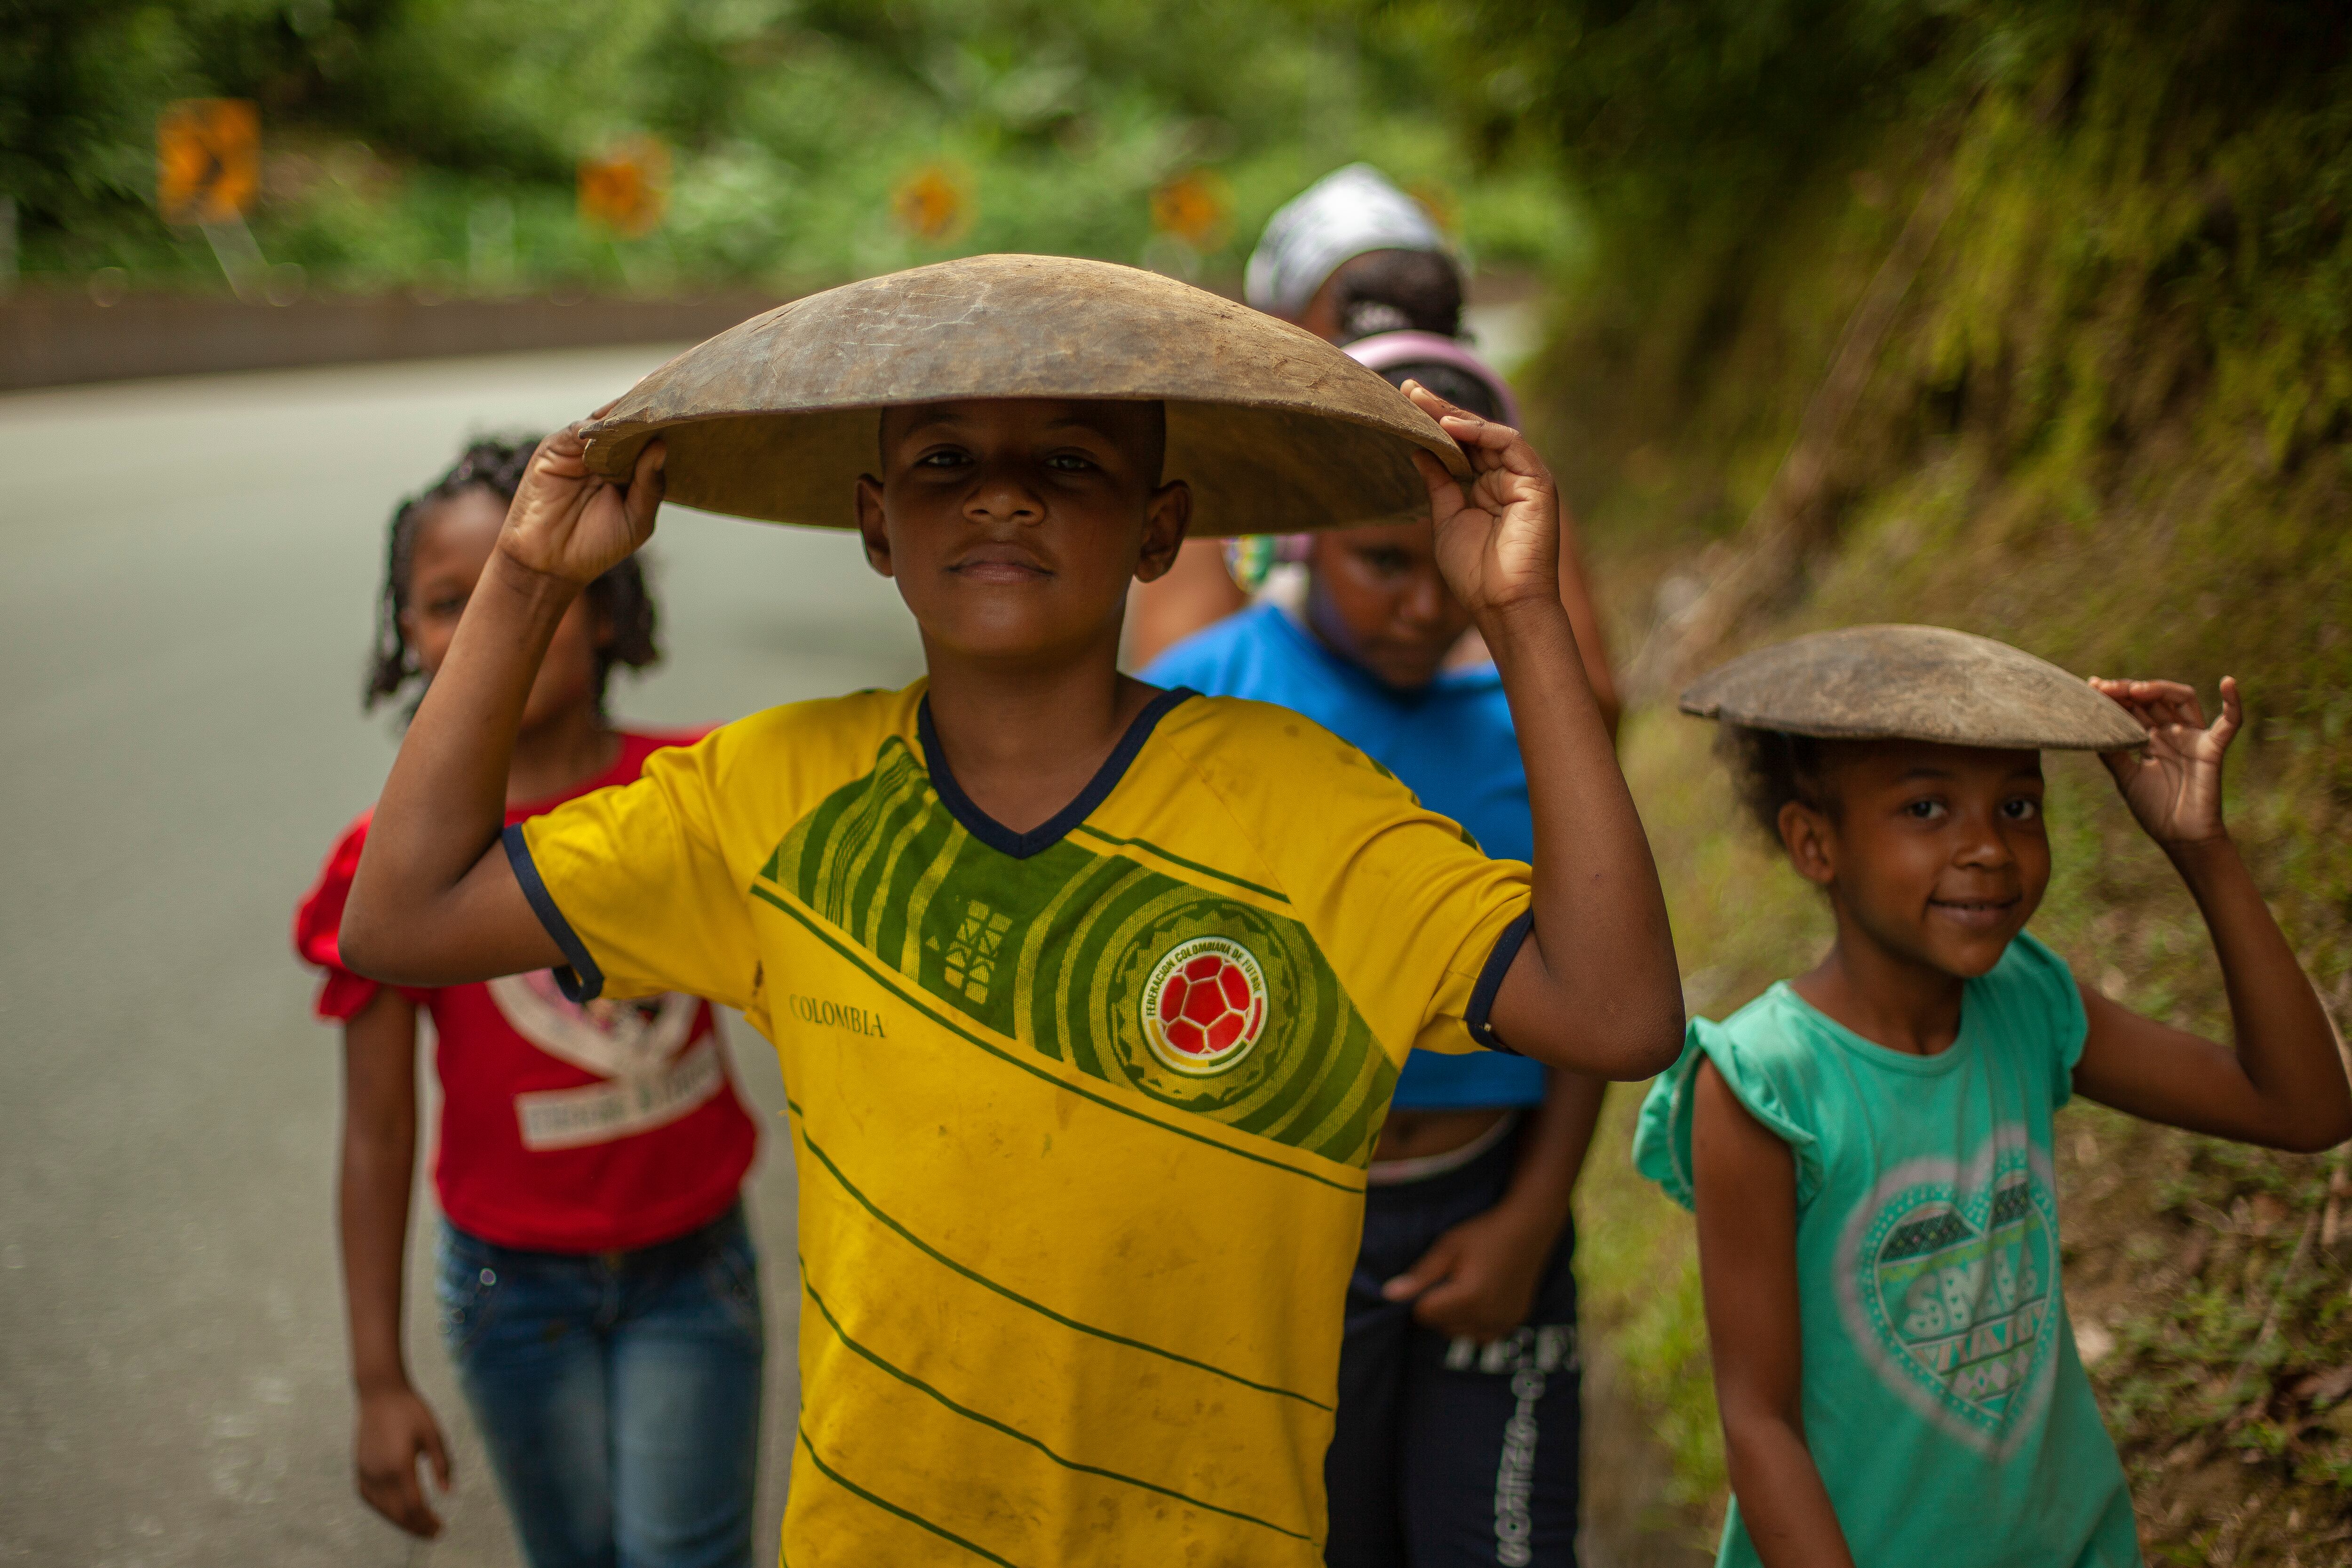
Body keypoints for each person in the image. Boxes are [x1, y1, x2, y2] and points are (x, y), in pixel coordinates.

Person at [330, 255, 1686, 1567]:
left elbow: (1616, 1012)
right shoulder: (765, 794)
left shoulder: (1308, 807)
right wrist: (523, 581)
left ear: (1163, 526)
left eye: (1070, 463)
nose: (1002, 501)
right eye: (946, 463)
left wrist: (1519, 617)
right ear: (878, 522)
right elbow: (403, 920)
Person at [1632, 626, 2352, 1568]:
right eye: (1926, 807)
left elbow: (2302, 1108)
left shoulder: (2026, 1002)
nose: (1987, 848)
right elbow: (1758, 1422)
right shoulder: (1764, 1085)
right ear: (1814, 843)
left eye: (2018, 803)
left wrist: (2200, 848)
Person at [1142, 336, 1605, 1568]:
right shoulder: (1195, 703)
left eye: (1439, 564)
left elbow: (1598, 991)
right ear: (1300, 540)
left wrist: (1530, 1217)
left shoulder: (1533, 729)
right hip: (1275, 1239)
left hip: (1489, 1209)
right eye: (1380, 562)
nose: (1419, 601)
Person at [294, 438, 765, 1568]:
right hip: (513, 1288)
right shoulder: (391, 874)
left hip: (693, 1268)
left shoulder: (693, 794)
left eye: (540, 587)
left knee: (685, 1555)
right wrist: (374, 1376)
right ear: (407, 636)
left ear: (608, 611)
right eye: (448, 601)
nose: (491, 622)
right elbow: (376, 1131)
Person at [1126, 161, 1615, 716]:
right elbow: (1176, 714)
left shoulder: (1504, 479)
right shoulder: (1218, 487)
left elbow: (1589, 708)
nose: (1394, 385)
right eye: (1343, 350)